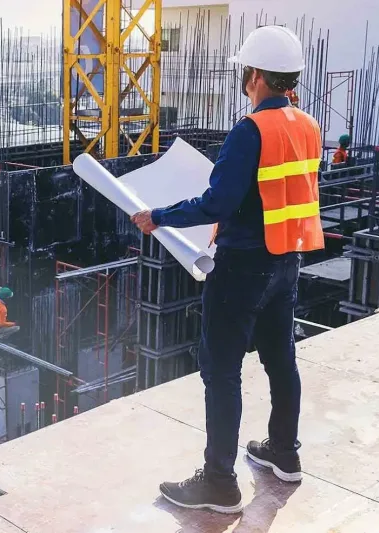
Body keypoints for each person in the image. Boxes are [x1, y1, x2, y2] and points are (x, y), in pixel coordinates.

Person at [130, 25, 324, 514]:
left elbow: (219, 200)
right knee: (281, 357)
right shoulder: (307, 125)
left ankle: (219, 483)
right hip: (286, 261)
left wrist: (159, 216)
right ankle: (284, 451)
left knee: (220, 370)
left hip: (242, 267)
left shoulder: (250, 130)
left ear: (254, 75)